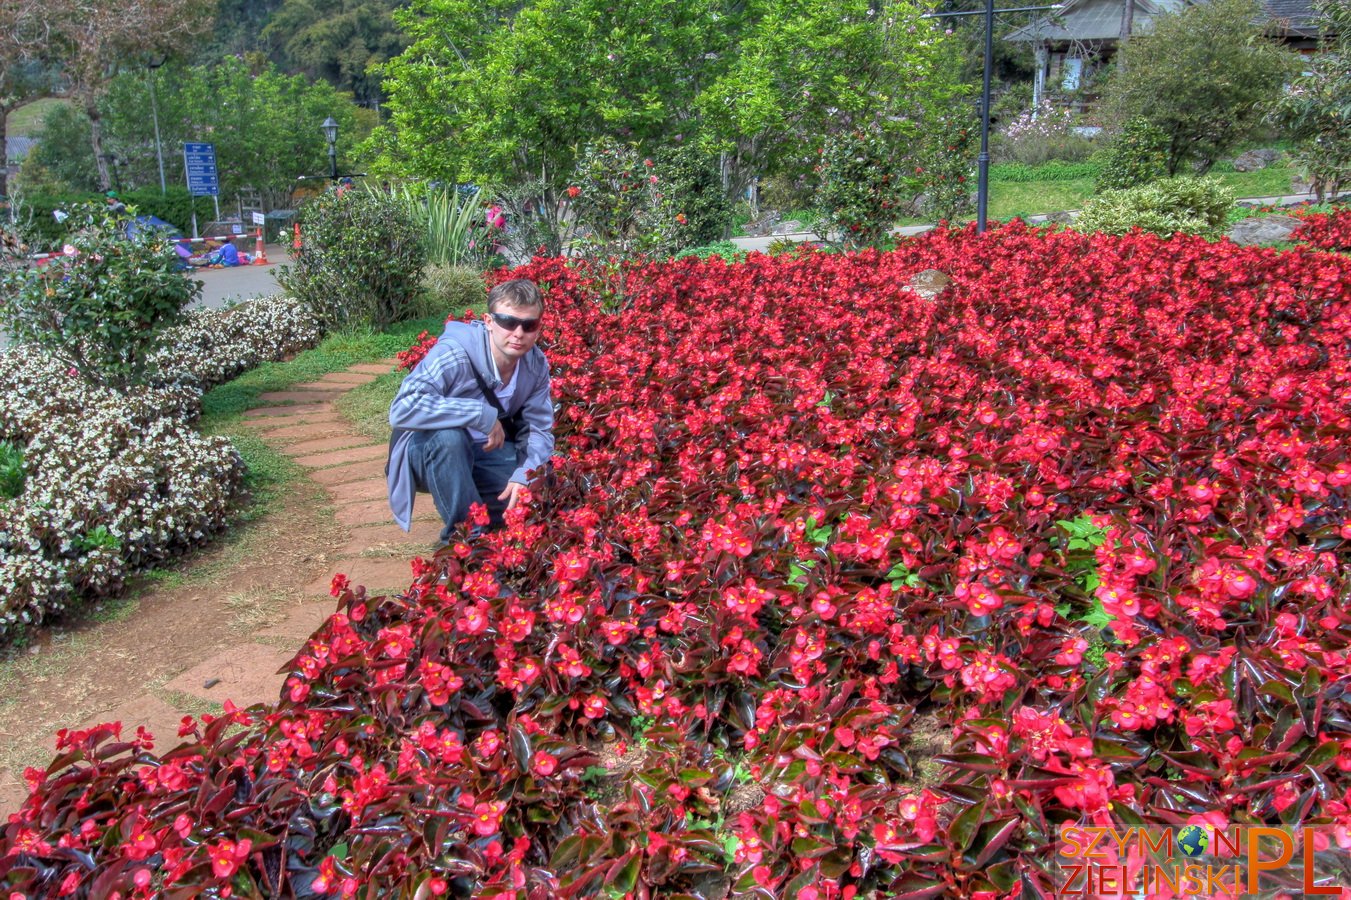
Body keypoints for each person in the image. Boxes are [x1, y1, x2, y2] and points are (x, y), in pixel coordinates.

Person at [386, 279, 555, 542]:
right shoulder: (454, 354)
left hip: (487, 453)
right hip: (428, 452)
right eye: (508, 322)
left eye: (528, 325)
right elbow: (402, 408)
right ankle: (465, 538)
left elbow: (539, 428)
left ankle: (482, 512)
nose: (518, 333)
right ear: (489, 321)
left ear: (538, 327)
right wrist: (479, 414)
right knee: (449, 438)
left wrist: (525, 474)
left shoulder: (535, 364)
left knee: (533, 497)